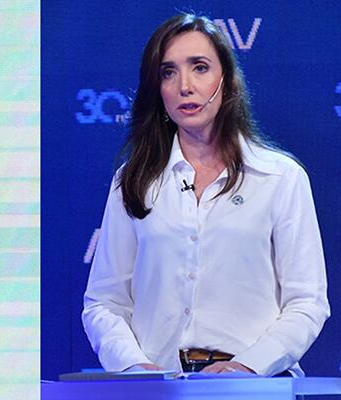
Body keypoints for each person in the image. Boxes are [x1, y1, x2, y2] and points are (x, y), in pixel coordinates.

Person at [82, 13, 329, 377]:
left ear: (226, 80)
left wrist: (245, 367)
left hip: (255, 386)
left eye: (199, 67)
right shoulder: (133, 181)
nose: (185, 85)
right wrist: (134, 367)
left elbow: (307, 303)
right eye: (168, 72)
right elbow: (104, 303)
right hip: (160, 387)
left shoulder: (280, 179)